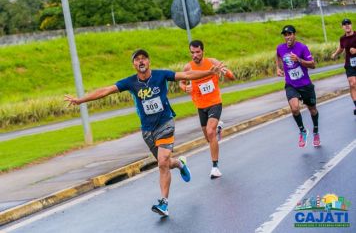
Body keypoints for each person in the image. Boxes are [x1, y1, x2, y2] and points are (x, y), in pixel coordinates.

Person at [65, 49, 224, 217]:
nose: (141, 61)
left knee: (162, 162)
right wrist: (80, 100)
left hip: (165, 124)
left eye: (144, 58)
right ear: (134, 64)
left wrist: (209, 71)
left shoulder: (161, 75)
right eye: (137, 59)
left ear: (149, 62)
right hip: (148, 130)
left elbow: (186, 75)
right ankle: (179, 164)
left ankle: (164, 203)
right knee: (167, 163)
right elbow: (105, 91)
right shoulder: (130, 82)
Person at [179, 40, 235, 179]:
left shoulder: (212, 62)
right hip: (200, 106)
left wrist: (225, 72)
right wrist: (185, 88)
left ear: (203, 51)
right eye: (192, 52)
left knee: (210, 132)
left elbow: (232, 77)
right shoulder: (188, 67)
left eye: (197, 52)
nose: (195, 55)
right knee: (208, 138)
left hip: (215, 102)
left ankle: (215, 167)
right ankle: (218, 129)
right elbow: (181, 81)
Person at [276, 25, 321, 148]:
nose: (287, 37)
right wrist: (278, 68)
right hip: (291, 85)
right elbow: (278, 56)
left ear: (294, 35)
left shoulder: (302, 48)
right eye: (285, 35)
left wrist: (299, 60)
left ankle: (316, 131)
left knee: (312, 109)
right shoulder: (280, 48)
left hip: (305, 84)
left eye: (289, 34)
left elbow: (312, 65)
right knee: (294, 108)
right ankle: (302, 131)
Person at [331, 18, 356, 115]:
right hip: (350, 64)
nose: (347, 26)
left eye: (348, 24)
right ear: (342, 27)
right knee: (352, 84)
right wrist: (335, 54)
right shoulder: (342, 38)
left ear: (351, 25)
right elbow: (341, 48)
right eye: (344, 24)